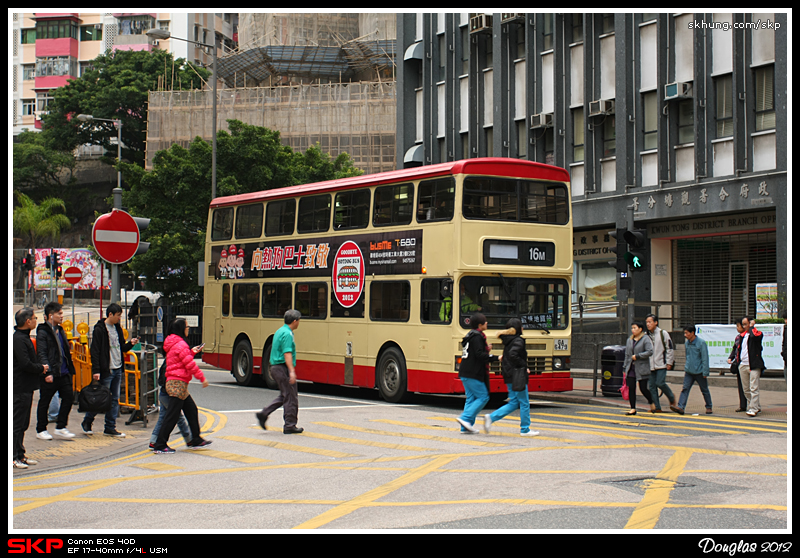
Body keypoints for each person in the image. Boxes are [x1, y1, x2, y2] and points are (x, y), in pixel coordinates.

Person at [152, 319, 211, 454]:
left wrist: (191, 352)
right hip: (178, 383)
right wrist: (202, 378)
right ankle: (160, 444)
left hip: (177, 382)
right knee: (172, 416)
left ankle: (196, 439)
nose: (188, 329)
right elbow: (189, 364)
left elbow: (182, 359)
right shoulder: (180, 344)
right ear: (181, 329)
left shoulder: (175, 343)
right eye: (187, 327)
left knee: (191, 409)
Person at [83, 303, 138, 438]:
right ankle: (87, 421)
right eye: (118, 316)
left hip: (117, 367)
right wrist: (96, 370)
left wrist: (130, 344)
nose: (119, 318)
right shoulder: (99, 329)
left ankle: (110, 427)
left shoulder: (117, 328)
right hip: (106, 370)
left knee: (114, 399)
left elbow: (121, 348)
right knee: (100, 399)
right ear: (110, 315)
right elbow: (94, 351)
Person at [483, 318, 538, 437]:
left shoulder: (508, 340)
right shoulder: (518, 340)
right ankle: (525, 429)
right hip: (517, 374)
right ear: (518, 329)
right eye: (522, 326)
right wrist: (524, 366)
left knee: (514, 402)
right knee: (524, 402)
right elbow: (514, 355)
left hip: (508, 374)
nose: (523, 328)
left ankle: (491, 418)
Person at [256, 310, 304, 434]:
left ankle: (264, 413)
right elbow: (287, 353)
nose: (299, 323)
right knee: (291, 397)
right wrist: (292, 371)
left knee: (285, 395)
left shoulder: (279, 331)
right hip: (282, 368)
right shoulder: (288, 334)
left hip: (275, 367)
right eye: (299, 320)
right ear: (295, 321)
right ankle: (290, 425)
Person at [35, 302, 77, 439]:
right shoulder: (43, 332)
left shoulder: (60, 330)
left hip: (63, 372)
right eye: (59, 313)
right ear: (50, 316)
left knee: (68, 397)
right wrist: (47, 372)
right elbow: (42, 353)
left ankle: (61, 426)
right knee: (45, 401)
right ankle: (41, 429)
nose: (61, 316)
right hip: (51, 373)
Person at [13, 308, 47, 468]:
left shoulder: (24, 338)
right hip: (19, 387)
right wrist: (41, 368)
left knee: (23, 423)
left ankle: (20, 453)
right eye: (34, 318)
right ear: (27, 321)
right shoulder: (19, 340)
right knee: (17, 423)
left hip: (26, 387)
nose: (35, 320)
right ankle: (14, 456)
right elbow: (25, 364)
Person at [455, 313, 499, 433]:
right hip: (472, 372)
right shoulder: (478, 337)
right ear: (480, 325)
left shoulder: (470, 335)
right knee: (483, 396)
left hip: (465, 371)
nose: (487, 323)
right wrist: (495, 357)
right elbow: (480, 355)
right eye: (485, 322)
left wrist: (486, 349)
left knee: (471, 398)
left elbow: (475, 352)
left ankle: (465, 426)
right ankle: (465, 418)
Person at [149, 359, 193, 449]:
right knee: (177, 416)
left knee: (163, 417)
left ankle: (153, 441)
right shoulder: (171, 363)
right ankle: (188, 440)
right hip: (168, 395)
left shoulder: (169, 361)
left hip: (164, 394)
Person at [672, 325, 712, 415]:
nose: (685, 335)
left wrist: (705, 371)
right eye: (684, 333)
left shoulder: (701, 343)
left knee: (704, 389)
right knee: (685, 388)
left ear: (692, 333)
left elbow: (705, 358)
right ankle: (681, 406)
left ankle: (709, 406)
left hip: (699, 371)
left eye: (687, 333)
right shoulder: (687, 343)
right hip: (689, 371)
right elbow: (687, 356)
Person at [621, 322, 654, 416]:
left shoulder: (645, 339)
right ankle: (633, 408)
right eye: (632, 328)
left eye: (635, 328)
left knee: (643, 388)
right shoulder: (630, 340)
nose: (633, 330)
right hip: (631, 367)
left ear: (640, 329)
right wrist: (624, 367)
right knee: (631, 387)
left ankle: (651, 401)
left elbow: (650, 351)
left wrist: (638, 356)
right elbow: (627, 355)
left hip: (641, 367)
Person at [645, 314, 675, 413]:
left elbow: (669, 348)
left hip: (661, 364)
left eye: (650, 322)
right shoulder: (646, 335)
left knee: (660, 383)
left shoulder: (663, 333)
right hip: (650, 365)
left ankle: (671, 397)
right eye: (647, 322)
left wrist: (669, 362)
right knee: (652, 386)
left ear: (656, 322)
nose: (648, 324)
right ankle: (657, 407)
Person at [738, 316, 764, 417]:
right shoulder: (742, 336)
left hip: (753, 365)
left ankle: (753, 408)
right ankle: (755, 406)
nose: (744, 326)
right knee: (746, 389)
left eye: (746, 324)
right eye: (743, 324)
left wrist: (752, 327)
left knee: (754, 388)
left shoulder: (757, 333)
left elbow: (754, 337)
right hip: (743, 364)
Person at [726, 319, 749, 412]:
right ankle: (743, 405)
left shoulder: (750, 336)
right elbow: (735, 348)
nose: (738, 328)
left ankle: (753, 405)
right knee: (741, 385)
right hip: (740, 364)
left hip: (749, 364)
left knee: (750, 387)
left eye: (738, 326)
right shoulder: (738, 337)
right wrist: (731, 357)